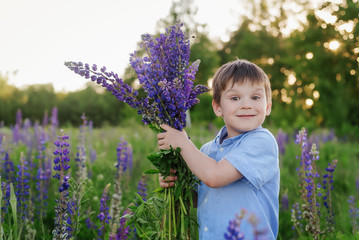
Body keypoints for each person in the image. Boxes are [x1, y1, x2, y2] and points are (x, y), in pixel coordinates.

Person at [157, 59, 280, 239]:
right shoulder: (207, 150)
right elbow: (199, 198)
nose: (246, 105)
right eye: (235, 98)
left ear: (267, 106)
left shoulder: (262, 142)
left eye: (255, 97)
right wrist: (176, 182)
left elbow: (214, 177)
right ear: (218, 107)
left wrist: (182, 143)